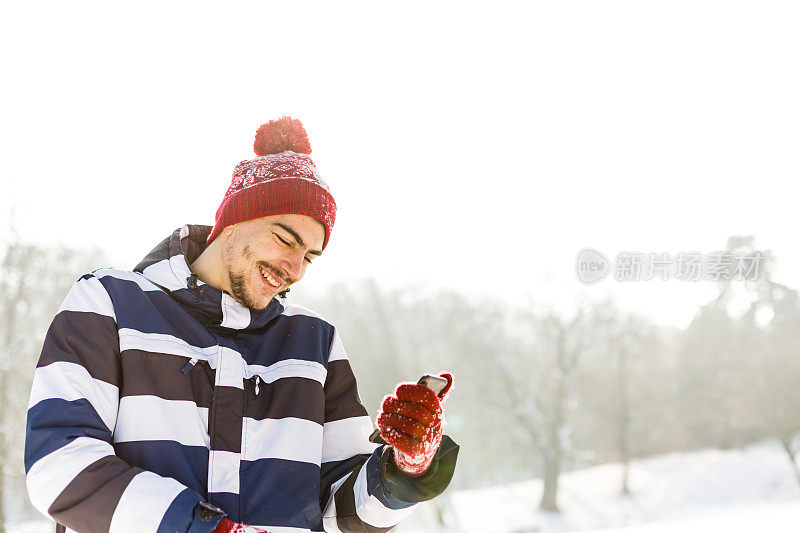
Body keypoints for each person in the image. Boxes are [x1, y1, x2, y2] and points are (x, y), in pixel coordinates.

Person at [24, 117, 459, 533]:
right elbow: (60, 465)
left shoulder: (316, 344)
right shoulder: (110, 304)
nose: (294, 268)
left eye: (309, 256)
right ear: (231, 223)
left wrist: (403, 468)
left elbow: (345, 514)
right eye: (286, 239)